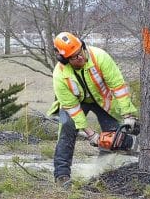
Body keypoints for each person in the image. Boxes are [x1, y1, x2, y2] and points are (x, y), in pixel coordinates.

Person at [47, 32, 138, 188]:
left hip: (102, 99)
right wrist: (91, 135)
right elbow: (73, 109)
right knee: (67, 128)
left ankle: (103, 169)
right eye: (74, 57)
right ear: (65, 59)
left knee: (115, 136)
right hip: (76, 103)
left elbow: (118, 87)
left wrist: (128, 115)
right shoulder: (59, 75)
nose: (80, 57)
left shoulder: (100, 57)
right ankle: (62, 175)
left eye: (80, 52)